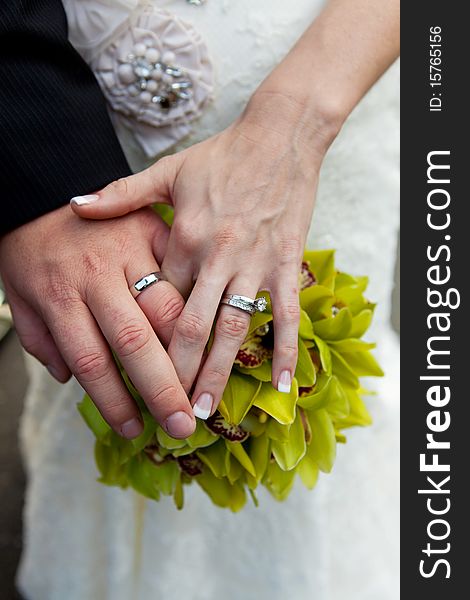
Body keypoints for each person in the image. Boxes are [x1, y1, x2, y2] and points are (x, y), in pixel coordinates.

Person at [0, 1, 400, 598]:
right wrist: (33, 178)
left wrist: (294, 122)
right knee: (98, 358)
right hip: (71, 85)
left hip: (341, 58)